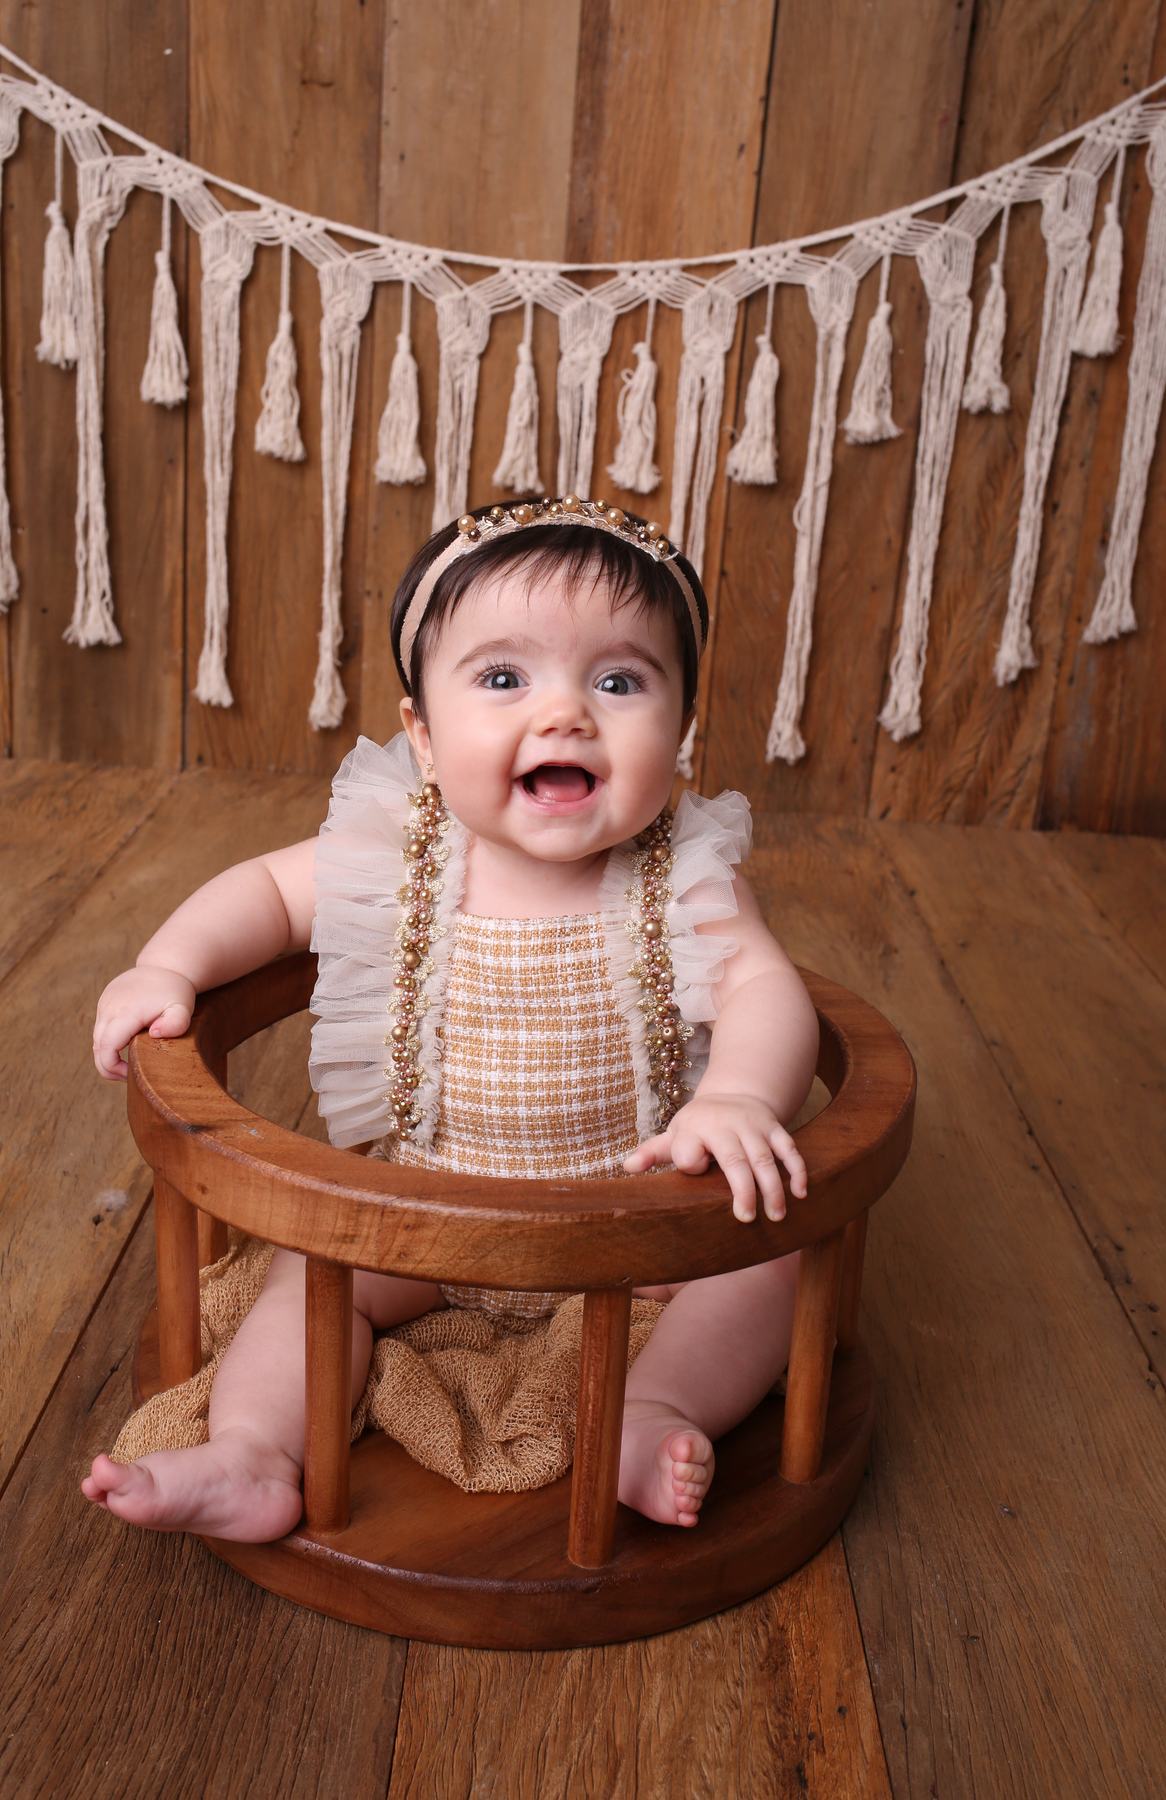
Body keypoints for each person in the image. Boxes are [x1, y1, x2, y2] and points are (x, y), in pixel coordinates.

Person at [85, 495, 819, 1544]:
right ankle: (253, 1450)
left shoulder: (683, 877)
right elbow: (267, 895)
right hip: (426, 1217)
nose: (565, 715)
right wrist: (168, 963)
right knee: (315, 1277)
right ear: (424, 737)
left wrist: (740, 1095)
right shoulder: (399, 851)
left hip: (633, 1228)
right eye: (504, 678)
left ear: (683, 732)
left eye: (619, 682)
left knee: (770, 1257)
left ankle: (653, 1410)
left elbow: (763, 989)